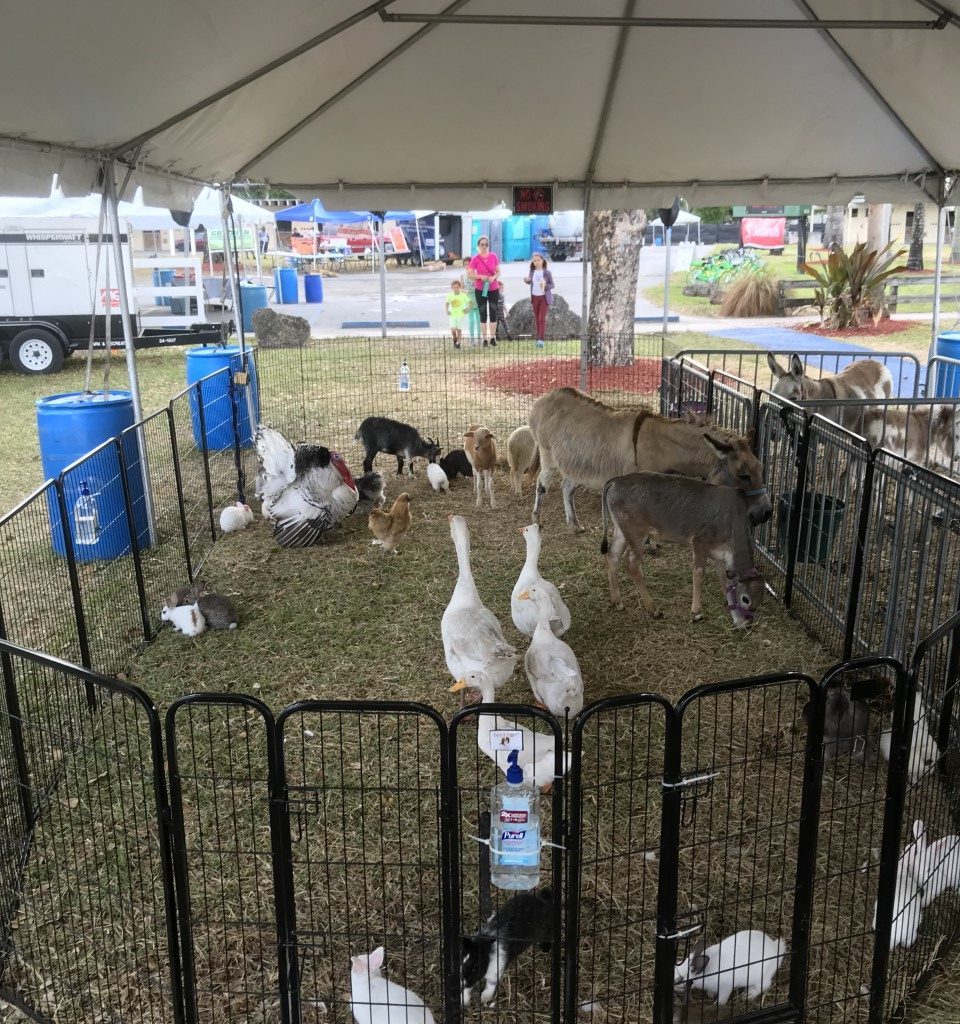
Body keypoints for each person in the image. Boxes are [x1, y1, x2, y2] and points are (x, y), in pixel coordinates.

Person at [467, 235, 501, 346]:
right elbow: (470, 275)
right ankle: (485, 339)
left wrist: (493, 277)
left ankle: (492, 338)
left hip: (493, 288)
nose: (484, 246)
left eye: (486, 244)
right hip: (481, 289)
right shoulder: (475, 259)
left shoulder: (493, 256)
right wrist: (480, 277)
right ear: (478, 246)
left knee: (493, 313)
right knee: (483, 314)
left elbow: (498, 272)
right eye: (482, 244)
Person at [523, 251, 555, 348]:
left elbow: (552, 285)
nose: (536, 262)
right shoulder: (532, 272)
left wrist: (545, 286)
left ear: (542, 261)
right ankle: (538, 338)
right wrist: (526, 280)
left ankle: (541, 339)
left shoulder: (547, 273)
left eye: (538, 260)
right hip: (534, 297)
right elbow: (530, 282)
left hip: (544, 298)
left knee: (542, 319)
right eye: (534, 261)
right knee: (537, 319)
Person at [460, 257, 481, 345]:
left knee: (479, 319)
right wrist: (466, 292)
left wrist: (483, 296)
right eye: (465, 264)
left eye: (469, 264)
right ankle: (472, 338)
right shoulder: (462, 276)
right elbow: (462, 288)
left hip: (478, 298)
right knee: (471, 319)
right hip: (469, 299)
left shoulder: (477, 274)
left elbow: (484, 285)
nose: (467, 265)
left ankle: (479, 338)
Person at [446, 278, 470, 349]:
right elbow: (447, 303)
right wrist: (447, 310)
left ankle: (458, 343)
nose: (455, 289)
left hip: (460, 315)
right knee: (453, 330)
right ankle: (455, 339)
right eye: (454, 287)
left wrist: (467, 309)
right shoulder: (450, 295)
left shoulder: (463, 295)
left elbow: (469, 302)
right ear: (452, 288)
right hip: (452, 315)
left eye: (457, 287)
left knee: (459, 330)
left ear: (459, 287)